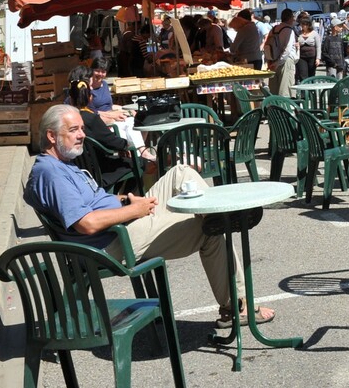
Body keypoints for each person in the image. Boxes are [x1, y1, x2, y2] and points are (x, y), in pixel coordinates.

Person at [25, 104, 274, 326]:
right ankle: (236, 306)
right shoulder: (52, 173)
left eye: (81, 128)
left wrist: (125, 199)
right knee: (210, 233)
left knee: (180, 172)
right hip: (112, 242)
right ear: (51, 135)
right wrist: (133, 211)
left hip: (121, 225)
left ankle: (214, 215)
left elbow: (92, 202)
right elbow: (86, 224)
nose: (82, 135)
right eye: (73, 130)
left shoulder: (61, 164)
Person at [65, 76, 151, 192]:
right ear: (90, 98)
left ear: (70, 99)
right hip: (99, 170)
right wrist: (126, 145)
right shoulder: (91, 118)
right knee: (140, 162)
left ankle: (117, 195)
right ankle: (126, 198)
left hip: (78, 167)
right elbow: (111, 141)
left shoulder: (67, 119)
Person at [263, 9, 298, 96]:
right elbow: (287, 50)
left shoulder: (274, 29)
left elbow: (267, 45)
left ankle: (274, 108)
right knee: (285, 90)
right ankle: (284, 109)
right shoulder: (289, 30)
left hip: (273, 60)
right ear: (290, 18)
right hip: (285, 62)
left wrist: (270, 62)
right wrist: (278, 63)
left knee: (274, 89)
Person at [296, 15, 319, 80]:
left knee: (311, 75)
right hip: (302, 57)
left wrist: (318, 58)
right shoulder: (298, 33)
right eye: (302, 24)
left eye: (306, 24)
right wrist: (297, 44)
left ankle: (312, 90)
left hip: (312, 57)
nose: (304, 26)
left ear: (309, 25)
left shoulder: (314, 33)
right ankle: (304, 90)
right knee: (303, 75)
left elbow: (318, 47)